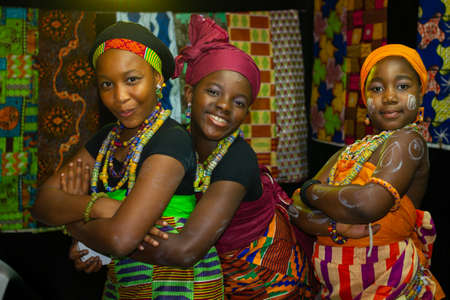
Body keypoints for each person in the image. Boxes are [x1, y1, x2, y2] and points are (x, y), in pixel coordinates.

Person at [64, 15, 378, 299]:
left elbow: (186, 249)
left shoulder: (236, 159)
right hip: (211, 279)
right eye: (213, 92)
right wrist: (103, 234)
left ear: (246, 113)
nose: (224, 106)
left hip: (263, 280)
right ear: (189, 94)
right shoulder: (167, 141)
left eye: (238, 102)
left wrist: (85, 232)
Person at [31, 21, 224, 299]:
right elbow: (42, 204)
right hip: (125, 286)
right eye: (107, 84)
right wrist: (102, 207)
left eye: (132, 79)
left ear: (158, 78)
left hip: (178, 287)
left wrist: (74, 223)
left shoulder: (171, 139)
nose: (120, 97)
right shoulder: (106, 139)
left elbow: (121, 240)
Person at [291, 44, 445, 299]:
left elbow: (369, 203)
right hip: (338, 288)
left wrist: (309, 190)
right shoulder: (351, 151)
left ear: (421, 94)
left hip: (390, 284)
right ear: (365, 98)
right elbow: (294, 210)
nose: (389, 96)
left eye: (403, 86)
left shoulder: (408, 140)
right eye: (377, 88)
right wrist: (336, 225)